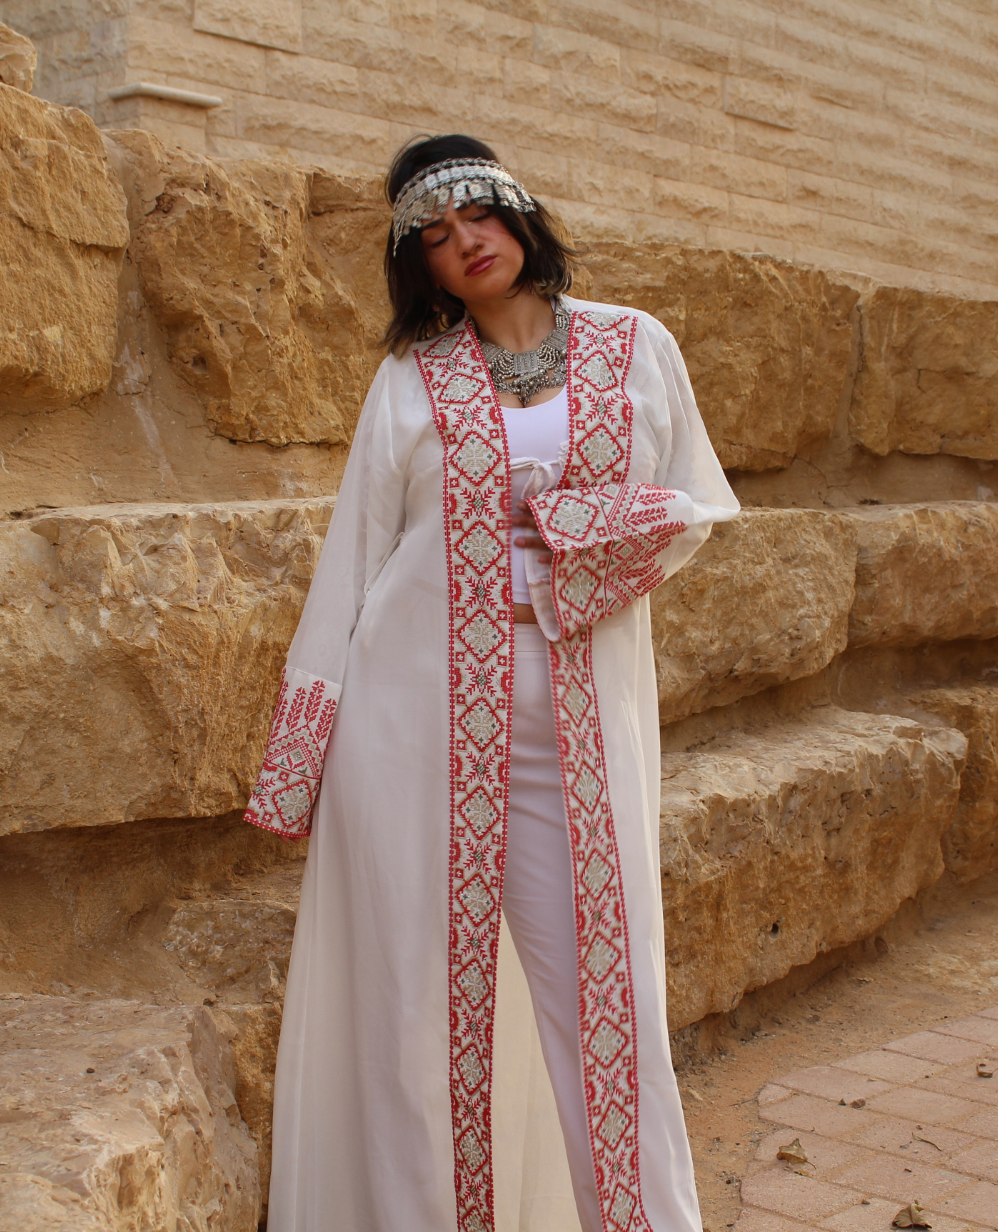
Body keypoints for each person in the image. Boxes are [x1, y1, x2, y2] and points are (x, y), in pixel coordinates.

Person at [244, 133, 741, 1232]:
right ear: (416, 268)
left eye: (474, 214)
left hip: (580, 728)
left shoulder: (634, 345)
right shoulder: (408, 382)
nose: (461, 243)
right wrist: (298, 764)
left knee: (609, 1005)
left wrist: (579, 528)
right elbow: (353, 562)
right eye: (431, 236)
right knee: (422, 1021)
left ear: (518, 215)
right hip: (407, 730)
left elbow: (696, 502)